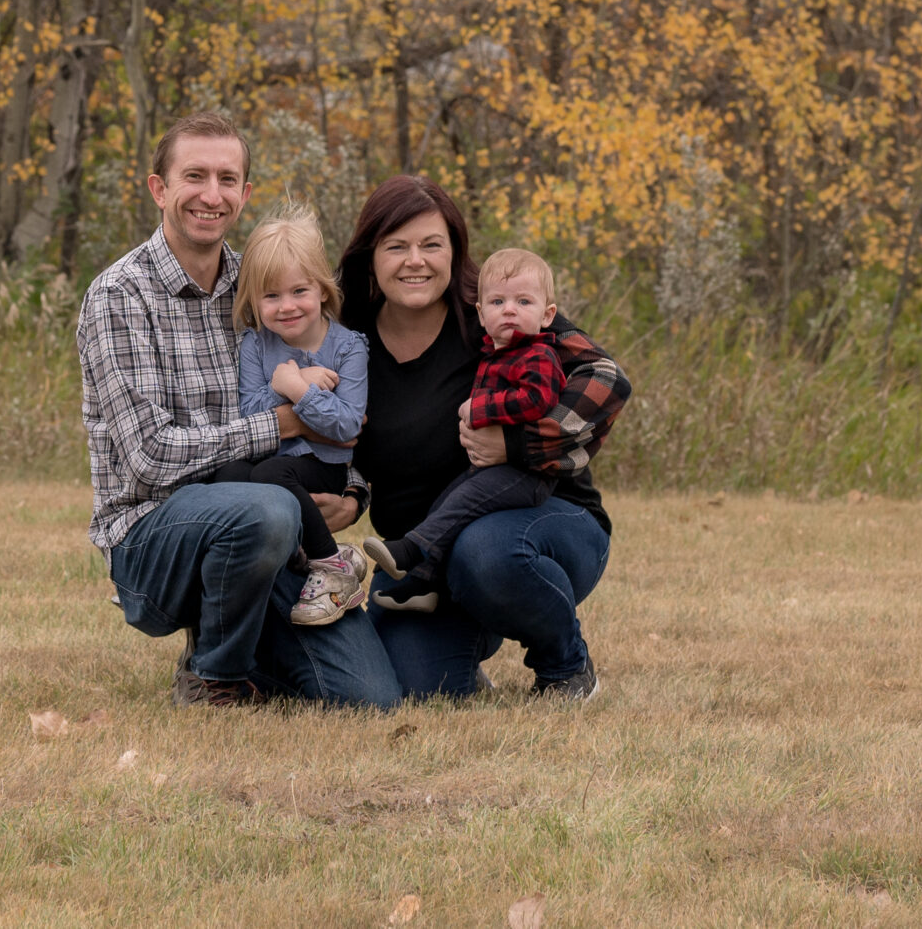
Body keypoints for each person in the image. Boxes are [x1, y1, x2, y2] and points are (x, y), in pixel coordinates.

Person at [78, 113, 398, 709]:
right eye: (194, 176)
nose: (211, 194)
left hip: (272, 517)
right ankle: (213, 673)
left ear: (245, 194)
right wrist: (281, 423)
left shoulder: (268, 286)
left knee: (368, 698)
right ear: (159, 189)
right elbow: (148, 460)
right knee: (267, 508)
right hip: (155, 532)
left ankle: (252, 638)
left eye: (228, 179)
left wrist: (352, 493)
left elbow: (341, 406)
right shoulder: (120, 296)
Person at [340, 178, 631, 701]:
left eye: (432, 244)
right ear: (369, 255)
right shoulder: (347, 338)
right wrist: (350, 491)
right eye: (396, 246)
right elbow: (339, 439)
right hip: (420, 555)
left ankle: (566, 666)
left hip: (539, 528)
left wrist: (518, 445)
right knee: (412, 688)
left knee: (488, 554)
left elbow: (607, 379)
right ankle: (468, 638)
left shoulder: (497, 311)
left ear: (455, 251)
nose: (416, 261)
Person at [191, 207, 373, 625]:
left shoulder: (348, 348)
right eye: (271, 296)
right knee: (230, 474)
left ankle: (333, 568)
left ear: (323, 290)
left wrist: (298, 389)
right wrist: (284, 381)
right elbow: (248, 411)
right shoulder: (256, 345)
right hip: (270, 459)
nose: (286, 307)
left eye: (299, 292)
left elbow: (347, 425)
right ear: (254, 300)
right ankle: (249, 575)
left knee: (271, 476)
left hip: (321, 468)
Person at [362, 246, 565, 611]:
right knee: (447, 502)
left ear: (548, 314)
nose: (509, 310)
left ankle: (410, 549)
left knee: (462, 503)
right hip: (491, 470)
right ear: (481, 314)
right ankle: (424, 584)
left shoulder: (539, 354)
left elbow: (538, 399)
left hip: (526, 472)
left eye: (523, 301)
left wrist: (482, 409)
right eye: (498, 301)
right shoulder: (495, 352)